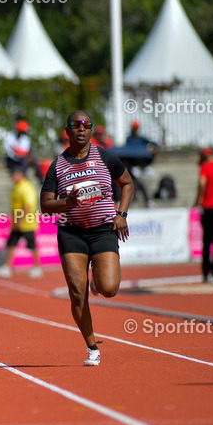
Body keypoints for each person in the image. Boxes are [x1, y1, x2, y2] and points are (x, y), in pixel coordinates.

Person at [40, 111, 134, 367]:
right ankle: (92, 347)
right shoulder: (57, 165)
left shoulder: (105, 157)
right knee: (77, 295)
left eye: (86, 125)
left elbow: (127, 184)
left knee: (109, 289)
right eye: (75, 125)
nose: (81, 129)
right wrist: (67, 202)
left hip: (103, 229)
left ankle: (97, 281)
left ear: (91, 130)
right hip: (71, 232)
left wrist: (122, 214)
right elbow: (45, 206)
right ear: (67, 131)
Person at [0, 169, 42, 278]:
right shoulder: (15, 187)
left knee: (32, 245)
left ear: (20, 175)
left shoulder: (26, 187)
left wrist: (20, 219)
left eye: (14, 175)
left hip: (27, 223)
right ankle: (7, 267)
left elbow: (28, 205)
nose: (12, 177)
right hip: (16, 223)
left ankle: (37, 267)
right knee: (11, 244)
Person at [195, 148, 213, 283]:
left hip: (208, 207)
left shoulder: (205, 167)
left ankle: (205, 272)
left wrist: (199, 199)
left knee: (207, 240)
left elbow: (202, 183)